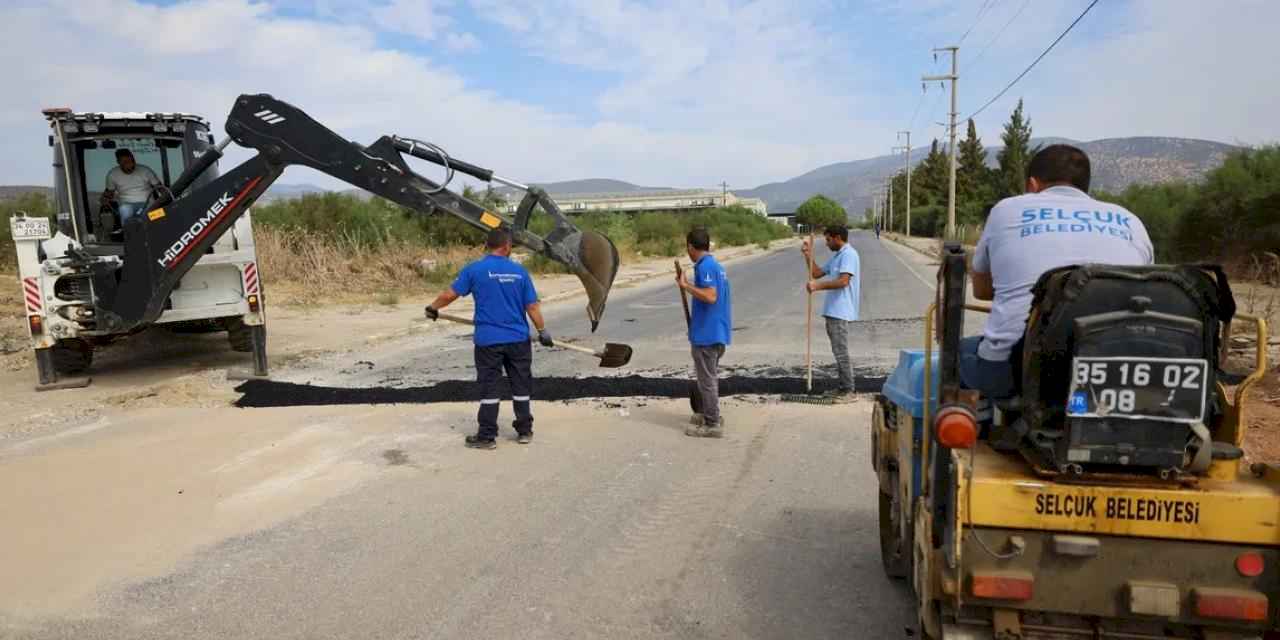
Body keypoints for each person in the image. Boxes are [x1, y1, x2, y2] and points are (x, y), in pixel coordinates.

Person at [964, 144, 1154, 399]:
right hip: (1117, 371)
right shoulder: (1129, 220)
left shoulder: (1006, 209)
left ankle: (982, 420)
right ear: (1085, 188)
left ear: (1032, 185)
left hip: (1022, 371)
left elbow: (983, 290)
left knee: (957, 355)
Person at [424, 228, 553, 449]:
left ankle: (487, 437)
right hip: (518, 340)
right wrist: (542, 330)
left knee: (490, 388)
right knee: (521, 385)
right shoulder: (519, 272)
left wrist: (432, 308)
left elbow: (449, 294)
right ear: (506, 246)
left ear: (489, 245)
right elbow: (531, 306)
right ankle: (524, 431)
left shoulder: (475, 270)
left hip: (488, 341)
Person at [678, 228, 732, 438]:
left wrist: (686, 286)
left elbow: (710, 296)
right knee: (706, 379)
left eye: (687, 247)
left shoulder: (705, 267)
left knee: (707, 381)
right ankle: (706, 413)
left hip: (708, 335)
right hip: (714, 332)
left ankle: (712, 423)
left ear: (691, 246)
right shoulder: (716, 266)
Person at [802, 224, 861, 402]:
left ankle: (849, 391)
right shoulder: (838, 256)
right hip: (833, 311)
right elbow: (817, 272)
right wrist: (807, 255)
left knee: (841, 352)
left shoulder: (849, 255)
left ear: (837, 237)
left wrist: (817, 286)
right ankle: (843, 388)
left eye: (828, 240)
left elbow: (843, 281)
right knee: (838, 351)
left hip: (841, 311)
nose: (827, 244)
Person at [102, 149, 162, 224]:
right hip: (127, 204)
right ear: (119, 162)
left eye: (131, 161)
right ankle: (128, 233)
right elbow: (109, 193)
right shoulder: (112, 175)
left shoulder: (146, 171)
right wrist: (105, 199)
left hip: (148, 203)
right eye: (125, 162)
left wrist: (168, 198)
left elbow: (160, 188)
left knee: (157, 214)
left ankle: (154, 232)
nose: (129, 164)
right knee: (124, 211)